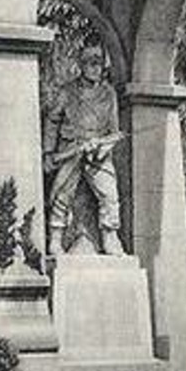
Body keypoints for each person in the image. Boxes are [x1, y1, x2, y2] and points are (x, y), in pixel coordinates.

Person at [43, 44, 124, 256]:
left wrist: (102, 146)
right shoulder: (67, 92)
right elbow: (52, 120)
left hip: (98, 154)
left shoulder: (109, 94)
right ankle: (55, 239)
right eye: (92, 64)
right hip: (70, 150)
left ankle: (110, 237)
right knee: (61, 195)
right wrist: (48, 152)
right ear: (82, 66)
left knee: (110, 195)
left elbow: (114, 130)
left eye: (99, 65)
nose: (96, 70)